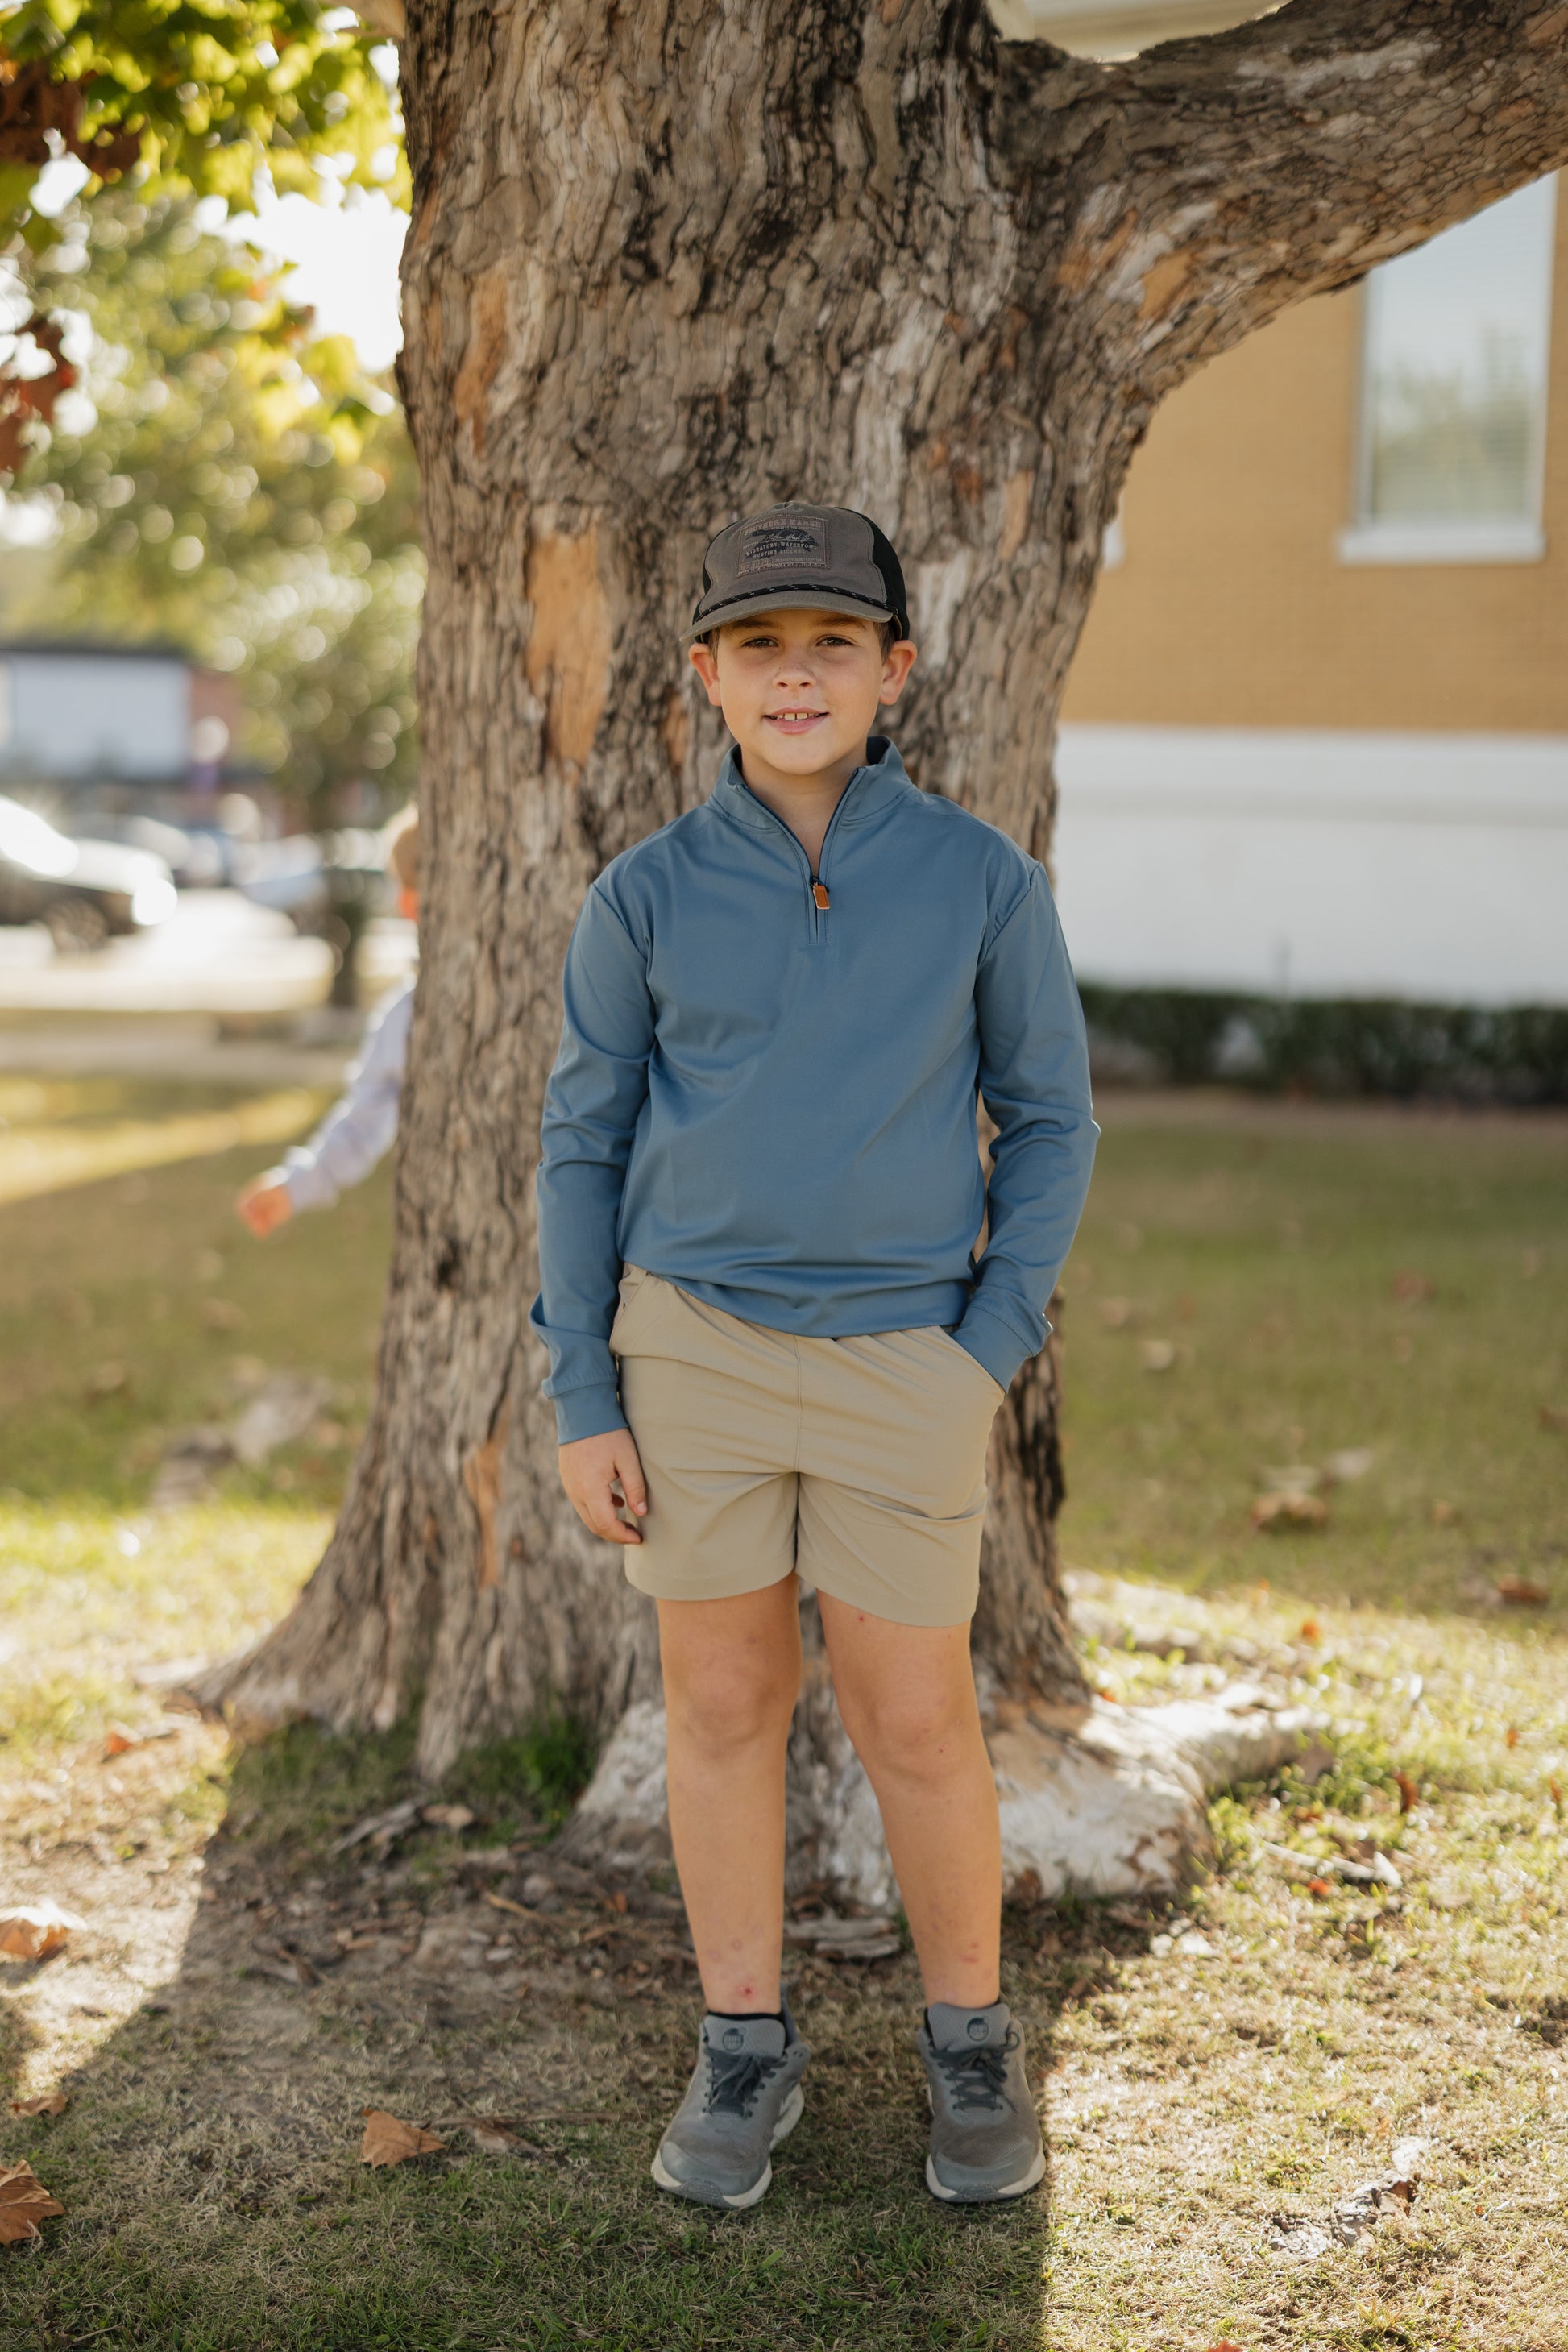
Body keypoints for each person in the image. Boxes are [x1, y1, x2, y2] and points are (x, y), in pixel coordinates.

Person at [531, 504, 1097, 2210]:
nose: (796, 677)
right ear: (703, 675)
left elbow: (1052, 1119)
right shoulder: (643, 893)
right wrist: (583, 1393)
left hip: (901, 1363)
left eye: (831, 644)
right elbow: (581, 1145)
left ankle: (971, 2044)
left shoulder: (982, 881)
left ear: (892, 669)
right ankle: (742, 2043)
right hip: (687, 1351)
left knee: (916, 1713)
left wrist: (978, 1348)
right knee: (718, 1699)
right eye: (760, 648)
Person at [235, 810, 418, 1238]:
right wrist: (295, 1185)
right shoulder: (408, 1014)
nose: (397, 904)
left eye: (401, 890)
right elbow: (364, 1117)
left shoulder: (409, 1013)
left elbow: (363, 1118)